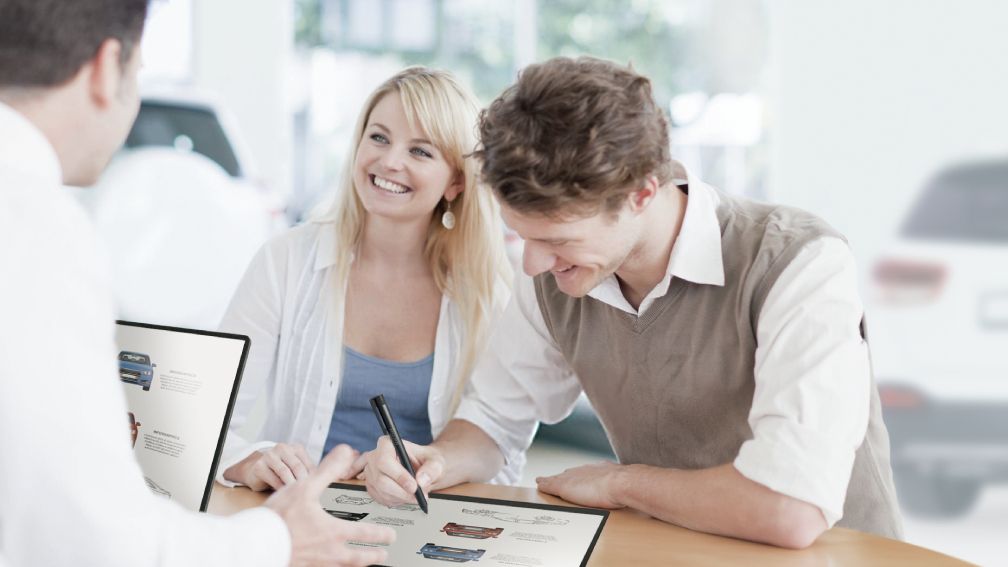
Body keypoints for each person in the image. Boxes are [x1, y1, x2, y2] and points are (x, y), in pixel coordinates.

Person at [360, 56, 904, 548]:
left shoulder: (798, 263)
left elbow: (790, 508)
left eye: (556, 238)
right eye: (522, 236)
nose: (531, 264)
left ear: (643, 192)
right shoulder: (554, 269)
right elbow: (494, 421)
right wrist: (434, 461)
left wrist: (621, 483)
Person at [0, 1, 393, 565]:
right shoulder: (35, 228)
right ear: (108, 68)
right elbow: (90, 537)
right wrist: (276, 540)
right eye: (139, 76)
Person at [216, 67, 512, 492]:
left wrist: (429, 472)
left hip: (419, 520)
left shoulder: (485, 293)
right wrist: (250, 462)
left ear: (456, 183)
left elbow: (501, 452)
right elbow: (208, 421)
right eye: (379, 137)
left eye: (421, 151)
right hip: (302, 516)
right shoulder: (286, 260)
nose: (389, 161)